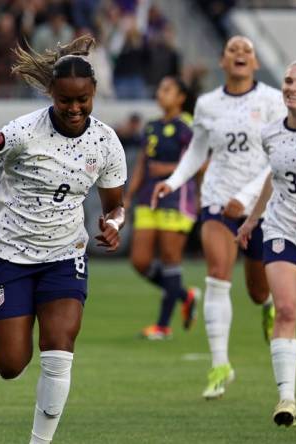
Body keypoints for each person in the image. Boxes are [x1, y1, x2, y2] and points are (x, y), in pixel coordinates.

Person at [0, 35, 127, 444]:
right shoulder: (21, 132)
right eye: (65, 100)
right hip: (11, 256)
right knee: (10, 364)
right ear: (51, 94)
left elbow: (115, 206)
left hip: (65, 256)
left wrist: (114, 224)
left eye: (83, 100)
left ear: (94, 94)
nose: (74, 109)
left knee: (58, 349)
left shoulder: (106, 142)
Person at [151, 36, 286, 400]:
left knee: (258, 290)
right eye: (232, 50)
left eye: (247, 50)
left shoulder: (273, 100)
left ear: (255, 63)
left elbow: (279, 157)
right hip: (216, 201)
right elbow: (197, 151)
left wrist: (245, 199)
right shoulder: (209, 104)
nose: (240, 54)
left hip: (261, 205)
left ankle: (268, 306)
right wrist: (173, 181)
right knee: (217, 277)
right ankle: (219, 365)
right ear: (223, 62)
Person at [236, 59, 296, 428]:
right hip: (284, 228)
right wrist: (254, 218)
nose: (293, 87)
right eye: (288, 80)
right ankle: (286, 399)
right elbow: (276, 175)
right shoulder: (270, 133)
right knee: (285, 310)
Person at [123, 76, 200, 340]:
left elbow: (201, 163)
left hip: (178, 198)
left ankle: (162, 326)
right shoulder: (152, 126)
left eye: (167, 89)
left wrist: (170, 170)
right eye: (160, 88)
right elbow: (143, 163)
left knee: (170, 259)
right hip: (148, 197)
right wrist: (128, 195)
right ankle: (185, 295)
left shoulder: (189, 126)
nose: (161, 93)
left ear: (180, 97)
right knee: (140, 261)